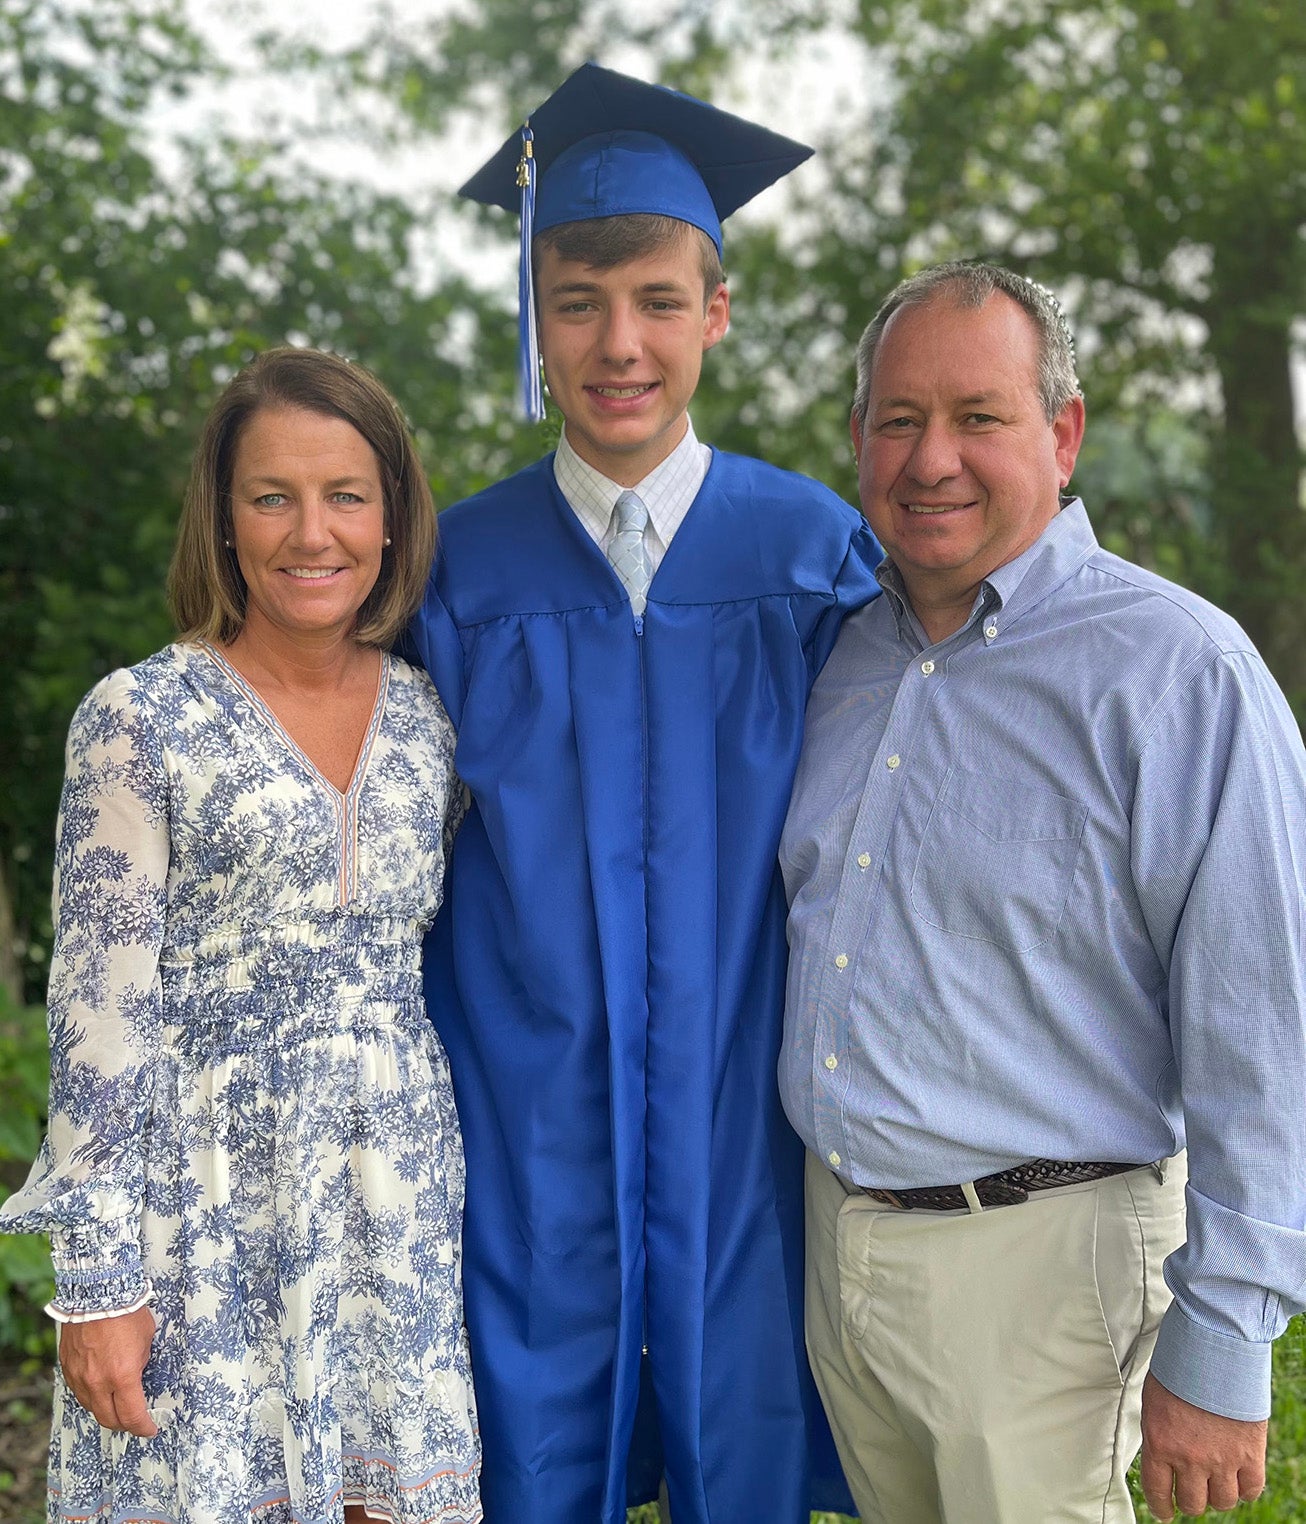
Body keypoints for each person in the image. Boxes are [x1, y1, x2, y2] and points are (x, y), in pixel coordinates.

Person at [406, 62, 883, 1524]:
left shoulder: (814, 556)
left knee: (747, 1438)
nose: (620, 344)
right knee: (527, 1462)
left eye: (660, 301)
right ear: (530, 320)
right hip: (522, 1129)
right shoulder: (453, 571)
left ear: (715, 313)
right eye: (577, 301)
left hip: (750, 1125)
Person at [779, 259, 1306, 1524]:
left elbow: (1265, 1033)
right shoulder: (836, 656)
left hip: (1044, 1277)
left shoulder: (1176, 672)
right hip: (840, 1254)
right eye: (897, 421)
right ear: (857, 441)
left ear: (1060, 434)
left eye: (978, 418)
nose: (930, 459)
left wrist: (1225, 1339)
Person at [1, 349, 481, 1524]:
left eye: (344, 495)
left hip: (390, 1197)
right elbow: (96, 1023)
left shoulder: (431, 718)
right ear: (222, 522)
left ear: (391, 518)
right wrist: (99, 1285)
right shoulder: (141, 718)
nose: (308, 532)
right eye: (271, 496)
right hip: (200, 1208)